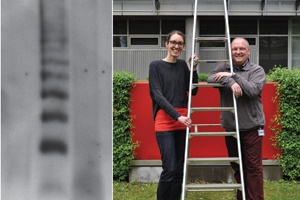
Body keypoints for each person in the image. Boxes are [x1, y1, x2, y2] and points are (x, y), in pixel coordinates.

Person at [207, 37, 266, 200]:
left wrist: (233, 75)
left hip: (252, 128)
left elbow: (252, 91)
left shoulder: (257, 70)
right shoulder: (223, 67)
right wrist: (230, 81)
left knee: (253, 169)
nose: (238, 52)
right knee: (238, 168)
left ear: (248, 51)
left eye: (241, 49)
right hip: (231, 129)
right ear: (230, 52)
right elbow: (210, 78)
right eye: (234, 49)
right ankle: (242, 197)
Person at [148, 30, 199, 200]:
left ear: (183, 47)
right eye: (173, 42)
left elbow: (194, 90)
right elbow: (158, 95)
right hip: (166, 121)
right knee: (169, 168)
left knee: (179, 169)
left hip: (183, 121)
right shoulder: (155, 66)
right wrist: (177, 116)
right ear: (166, 44)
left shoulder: (183, 65)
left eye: (180, 43)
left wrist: (194, 69)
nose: (176, 46)